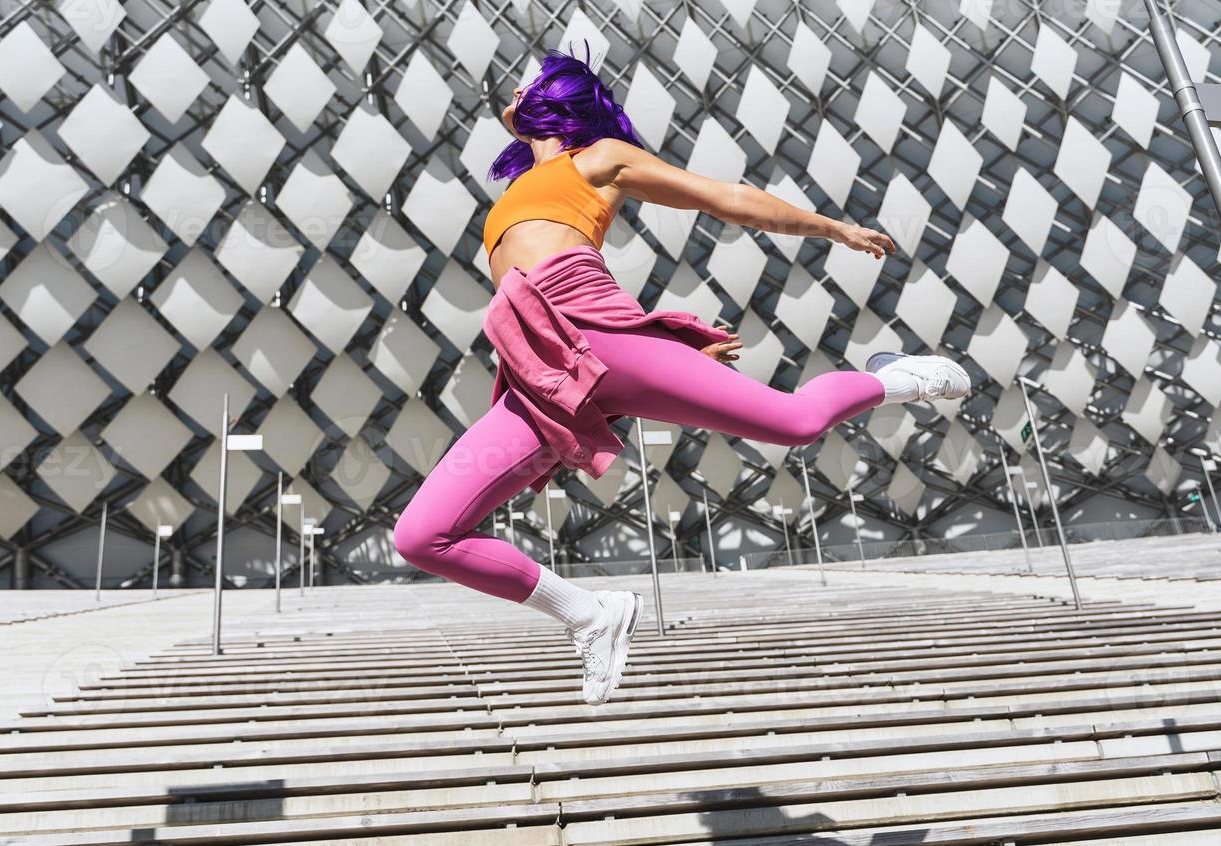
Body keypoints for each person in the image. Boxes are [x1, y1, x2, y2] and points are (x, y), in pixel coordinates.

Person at [394, 48, 969, 706]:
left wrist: (834, 229)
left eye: (530, 82)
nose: (515, 89)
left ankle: (903, 377)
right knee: (422, 535)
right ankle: (590, 614)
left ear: (557, 98)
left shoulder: (600, 157)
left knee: (796, 422)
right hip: (542, 366)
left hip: (603, 339)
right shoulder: (521, 184)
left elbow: (729, 200)